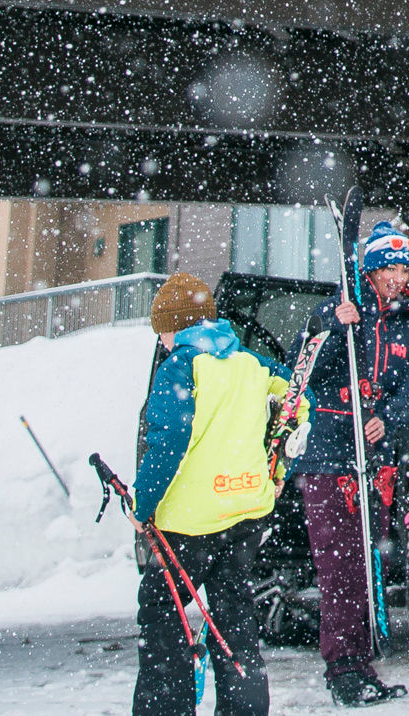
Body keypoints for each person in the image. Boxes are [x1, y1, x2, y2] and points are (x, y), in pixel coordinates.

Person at [133, 277, 292, 716]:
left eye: (163, 331)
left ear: (177, 326)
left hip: (190, 521)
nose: (162, 342)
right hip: (245, 514)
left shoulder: (180, 367)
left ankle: (166, 708)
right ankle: (245, 708)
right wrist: (278, 468)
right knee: (234, 614)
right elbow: (300, 401)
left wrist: (142, 506)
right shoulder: (252, 363)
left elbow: (167, 443)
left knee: (162, 610)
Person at [289, 221, 409, 706]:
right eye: (391, 269)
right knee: (340, 566)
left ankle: (363, 661)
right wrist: (333, 327)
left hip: (374, 460)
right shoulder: (336, 309)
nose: (399, 278)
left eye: (405, 270)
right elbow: (300, 372)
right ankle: (343, 667)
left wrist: (386, 418)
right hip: (330, 457)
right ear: (370, 270)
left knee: (371, 563)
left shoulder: (407, 318)